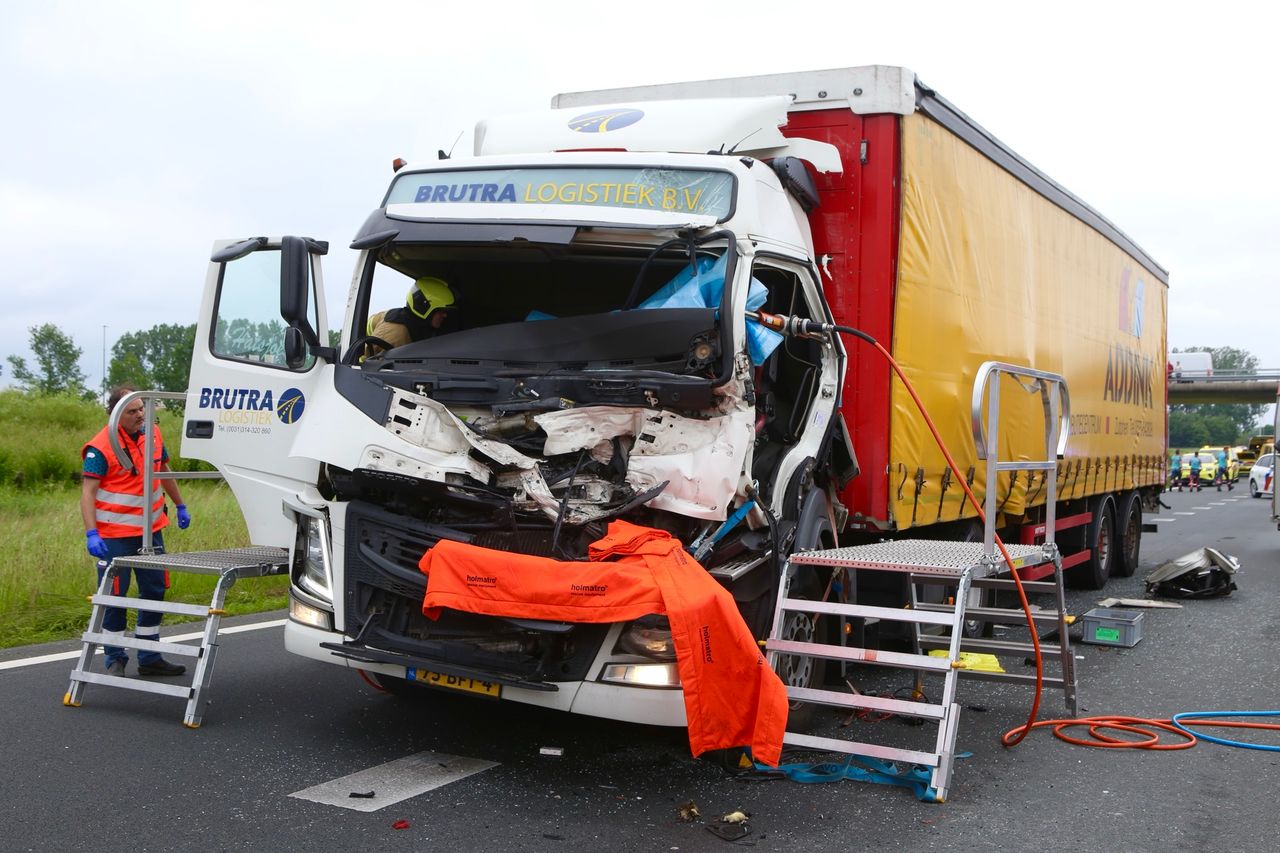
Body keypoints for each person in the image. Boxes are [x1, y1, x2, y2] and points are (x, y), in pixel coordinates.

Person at [80, 386, 191, 677]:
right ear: (117, 414)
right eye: (132, 411)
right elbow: (88, 493)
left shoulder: (153, 433)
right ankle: (115, 657)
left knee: (154, 590)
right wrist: (92, 533)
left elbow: (163, 469)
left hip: (151, 531)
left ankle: (149, 656)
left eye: (141, 408)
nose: (140, 415)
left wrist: (180, 504)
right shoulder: (101, 446)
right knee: (116, 596)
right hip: (114, 536)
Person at [365, 276, 455, 354]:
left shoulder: (422, 326)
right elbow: (368, 365)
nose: (445, 315)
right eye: (441, 311)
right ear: (423, 307)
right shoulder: (396, 335)